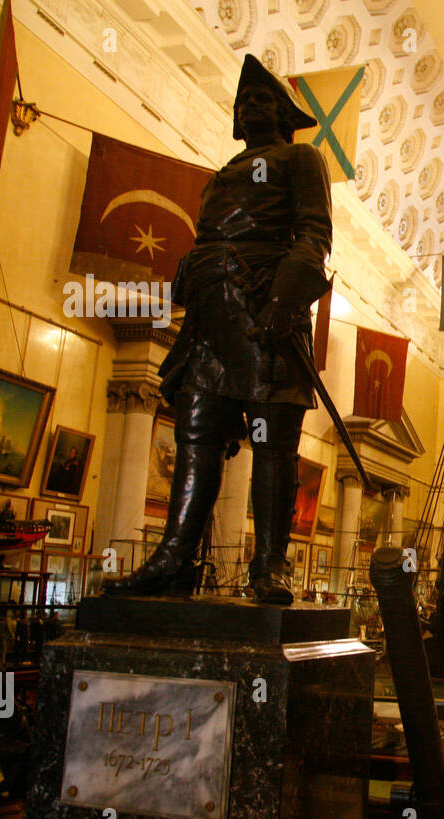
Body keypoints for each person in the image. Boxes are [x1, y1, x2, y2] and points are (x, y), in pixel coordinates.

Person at [104, 54, 331, 604]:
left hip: (264, 312)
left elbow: (313, 236)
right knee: (196, 436)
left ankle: (269, 565)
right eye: (243, 101)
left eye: (260, 99)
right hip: (209, 314)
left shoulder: (301, 158)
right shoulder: (221, 176)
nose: (250, 106)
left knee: (272, 443)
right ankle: (175, 557)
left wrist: (282, 302)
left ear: (281, 113)